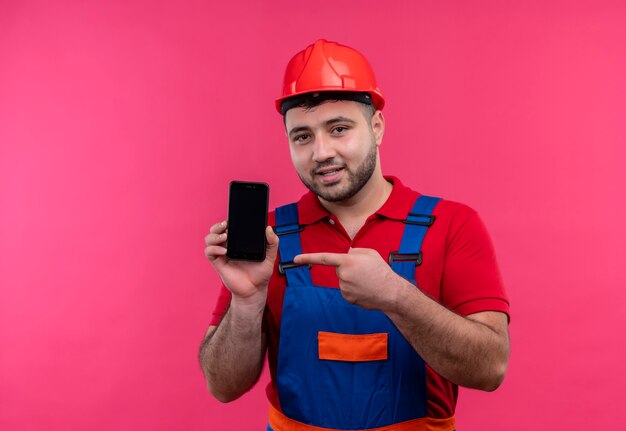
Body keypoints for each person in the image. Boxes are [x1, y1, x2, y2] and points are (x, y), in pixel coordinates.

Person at [200, 39, 510, 431]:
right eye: (302, 137)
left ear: (376, 127)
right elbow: (223, 386)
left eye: (339, 129)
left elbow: (491, 368)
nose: (321, 152)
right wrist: (246, 303)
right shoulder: (269, 237)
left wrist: (397, 297)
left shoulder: (452, 225)